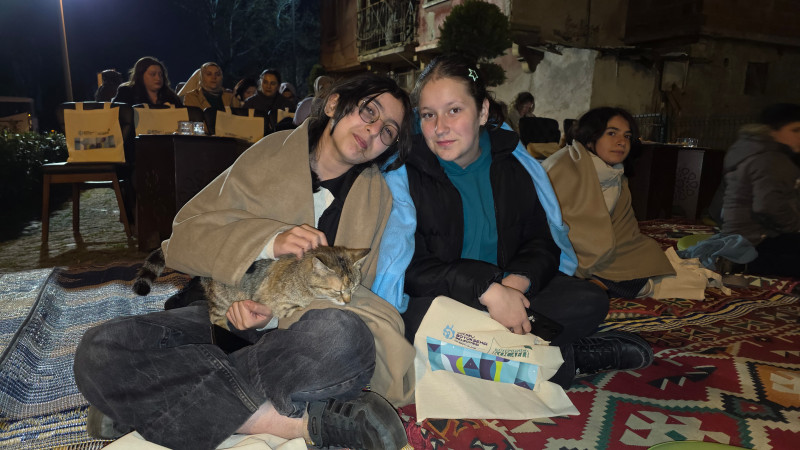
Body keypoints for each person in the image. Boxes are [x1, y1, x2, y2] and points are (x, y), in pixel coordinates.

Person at [73, 73, 416, 450]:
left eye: (388, 131)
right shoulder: (270, 153)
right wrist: (269, 240)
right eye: (369, 111)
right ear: (334, 104)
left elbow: (351, 291)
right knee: (100, 349)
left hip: (297, 334)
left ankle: (143, 403)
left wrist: (272, 318)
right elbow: (186, 234)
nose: (374, 130)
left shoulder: (377, 197)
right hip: (220, 318)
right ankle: (294, 424)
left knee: (344, 338)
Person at [399, 55, 653, 389]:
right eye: (428, 114)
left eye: (454, 110)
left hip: (507, 297)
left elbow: (541, 243)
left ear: (483, 112)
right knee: (408, 323)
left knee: (589, 300)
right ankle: (566, 361)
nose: (439, 127)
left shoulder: (513, 168)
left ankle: (488, 360)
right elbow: (409, 268)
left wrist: (517, 283)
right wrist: (486, 290)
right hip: (446, 299)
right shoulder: (405, 174)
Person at [542, 107, 675, 298]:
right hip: (562, 254)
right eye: (612, 133)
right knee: (643, 285)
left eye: (627, 136)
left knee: (650, 256)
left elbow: (625, 231)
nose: (622, 142)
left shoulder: (616, 176)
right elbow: (548, 226)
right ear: (590, 138)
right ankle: (594, 284)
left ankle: (596, 283)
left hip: (603, 252)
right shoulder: (563, 166)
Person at [718, 103, 800, 278]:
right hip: (755, 242)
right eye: (795, 130)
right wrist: (797, 226)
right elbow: (768, 206)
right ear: (773, 131)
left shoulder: (751, 150)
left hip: (736, 236)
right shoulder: (772, 158)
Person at [112, 56, 182, 106]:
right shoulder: (126, 92)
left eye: (161, 74)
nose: (158, 78)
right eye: (153, 74)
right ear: (140, 75)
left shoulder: (171, 97)